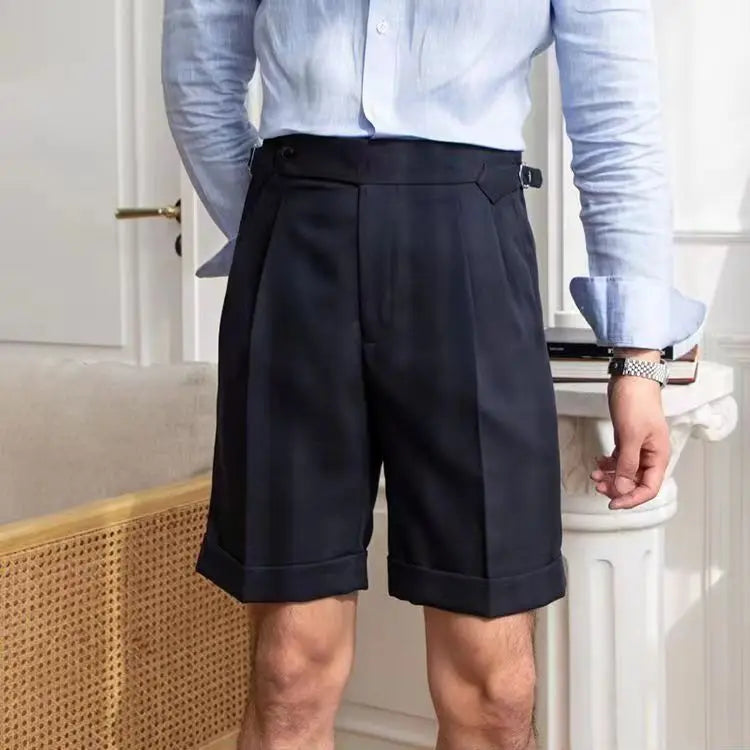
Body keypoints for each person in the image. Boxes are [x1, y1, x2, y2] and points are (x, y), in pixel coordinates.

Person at [162, 2, 705, 749]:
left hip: (470, 246)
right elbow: (199, 67)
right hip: (297, 241)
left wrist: (638, 360)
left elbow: (617, 118)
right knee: (289, 670)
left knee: (496, 689)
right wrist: (271, 227)